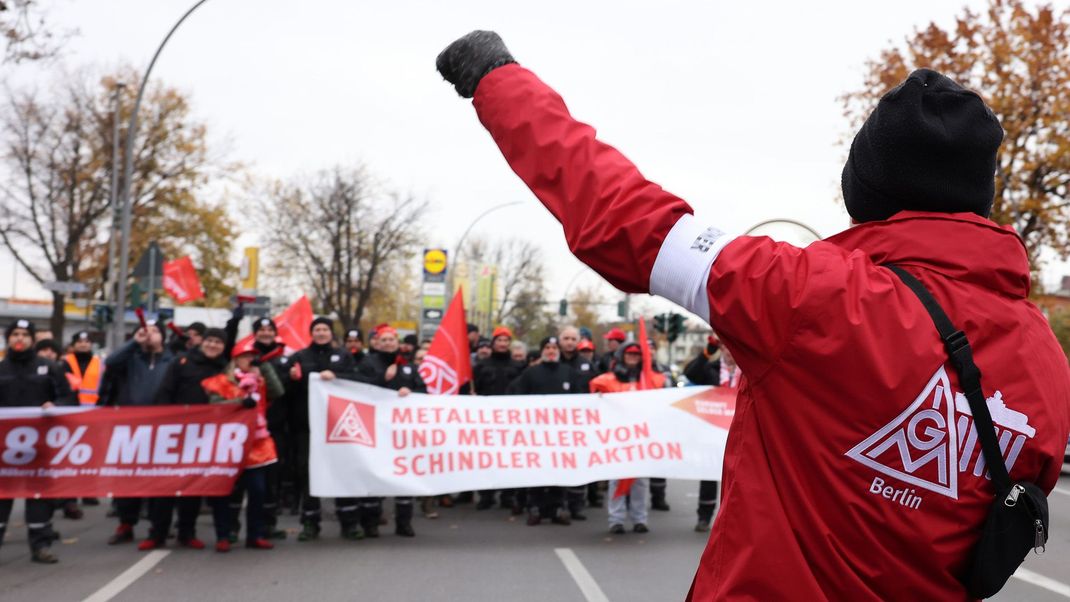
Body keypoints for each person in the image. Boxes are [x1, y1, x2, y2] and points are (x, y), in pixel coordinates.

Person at [437, 34, 1070, 599]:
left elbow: (624, 220)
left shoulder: (806, 295)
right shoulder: (1047, 358)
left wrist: (499, 80)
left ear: (866, 189)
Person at [140, 323, 237, 552]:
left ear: (223, 347)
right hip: (175, 433)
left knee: (193, 486)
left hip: (206, 436)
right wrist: (164, 422)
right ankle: (157, 533)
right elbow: (165, 392)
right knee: (166, 485)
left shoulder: (225, 369)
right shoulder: (182, 362)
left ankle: (187, 532)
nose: (213, 345)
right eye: (210, 341)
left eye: (218, 342)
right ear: (202, 342)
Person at [0, 319, 74, 563]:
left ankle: (40, 546)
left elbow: (68, 399)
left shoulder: (49, 367)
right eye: (15, 334)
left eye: (24, 334)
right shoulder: (1, 368)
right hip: (5, 449)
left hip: (41, 445)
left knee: (40, 497)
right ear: (8, 338)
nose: (19, 338)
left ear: (32, 339)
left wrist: (55, 405)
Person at [202, 337, 282, 552]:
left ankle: (255, 534)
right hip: (227, 445)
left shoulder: (260, 380)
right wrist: (239, 403)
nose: (249, 360)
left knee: (258, 491)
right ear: (235, 359)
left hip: (256, 445)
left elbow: (278, 392)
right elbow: (215, 407)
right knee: (224, 492)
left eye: (252, 357)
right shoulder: (221, 382)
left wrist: (263, 368)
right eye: (245, 356)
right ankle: (224, 534)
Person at [287, 317, 363, 542]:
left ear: (331, 333)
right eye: (317, 329)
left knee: (342, 471)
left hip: (337, 427)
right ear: (312, 333)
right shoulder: (300, 357)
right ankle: (310, 522)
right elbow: (285, 388)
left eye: (325, 329)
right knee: (307, 473)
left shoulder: (344, 356)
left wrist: (338, 377)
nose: (321, 333)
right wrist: (292, 378)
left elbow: (358, 381)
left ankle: (349, 523)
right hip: (306, 426)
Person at [103, 321, 175, 545]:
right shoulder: (130, 359)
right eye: (144, 331)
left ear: (163, 337)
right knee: (128, 478)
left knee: (159, 478)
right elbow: (110, 362)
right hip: (131, 427)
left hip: (162, 428)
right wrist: (135, 343)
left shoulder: (172, 361)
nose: (149, 335)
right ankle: (126, 523)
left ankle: (158, 525)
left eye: (154, 331)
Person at [355, 326, 425, 537]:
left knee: (404, 477)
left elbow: (424, 391)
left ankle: (404, 522)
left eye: (391, 340)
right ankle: (371, 522)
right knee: (375, 475)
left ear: (397, 342)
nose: (388, 343)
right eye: (383, 340)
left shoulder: (408, 367)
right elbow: (358, 387)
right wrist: (383, 380)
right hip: (376, 431)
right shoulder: (368, 363)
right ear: (377, 342)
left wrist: (411, 392)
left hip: (403, 433)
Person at [590, 341, 666, 533]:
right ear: (622, 356)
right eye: (629, 354)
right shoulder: (608, 380)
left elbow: (664, 394)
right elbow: (593, 390)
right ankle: (616, 520)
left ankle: (640, 519)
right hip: (617, 439)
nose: (632, 357)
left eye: (636, 354)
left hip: (641, 438)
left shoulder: (651, 380)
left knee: (640, 481)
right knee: (616, 479)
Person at [508, 336, 581, 526]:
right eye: (547, 347)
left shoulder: (569, 372)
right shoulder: (531, 373)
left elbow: (581, 399)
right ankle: (536, 508)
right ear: (542, 351)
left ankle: (558, 508)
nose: (551, 350)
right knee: (537, 472)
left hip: (561, 434)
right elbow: (515, 396)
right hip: (536, 434)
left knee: (559, 473)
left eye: (554, 347)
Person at [471, 326, 526, 512]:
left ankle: (507, 495)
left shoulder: (518, 366)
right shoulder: (481, 366)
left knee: (509, 458)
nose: (502, 344)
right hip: (486, 419)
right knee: (486, 457)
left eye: (506, 341)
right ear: (493, 343)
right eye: (499, 341)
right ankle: (486, 495)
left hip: (511, 420)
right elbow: (475, 388)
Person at [249, 316, 292, 537]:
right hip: (247, 428)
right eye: (261, 329)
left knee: (271, 478)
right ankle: (239, 528)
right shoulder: (245, 357)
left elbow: (284, 391)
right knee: (246, 481)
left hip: (274, 426)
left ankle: (268, 524)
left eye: (269, 329)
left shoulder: (284, 359)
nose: (265, 333)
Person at [63, 331, 103, 508]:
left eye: (86, 341)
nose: (83, 344)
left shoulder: (99, 364)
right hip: (70, 415)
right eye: (79, 341)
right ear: (73, 345)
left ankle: (88, 492)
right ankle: (68, 496)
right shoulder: (64, 363)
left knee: (90, 456)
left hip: (93, 416)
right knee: (69, 455)